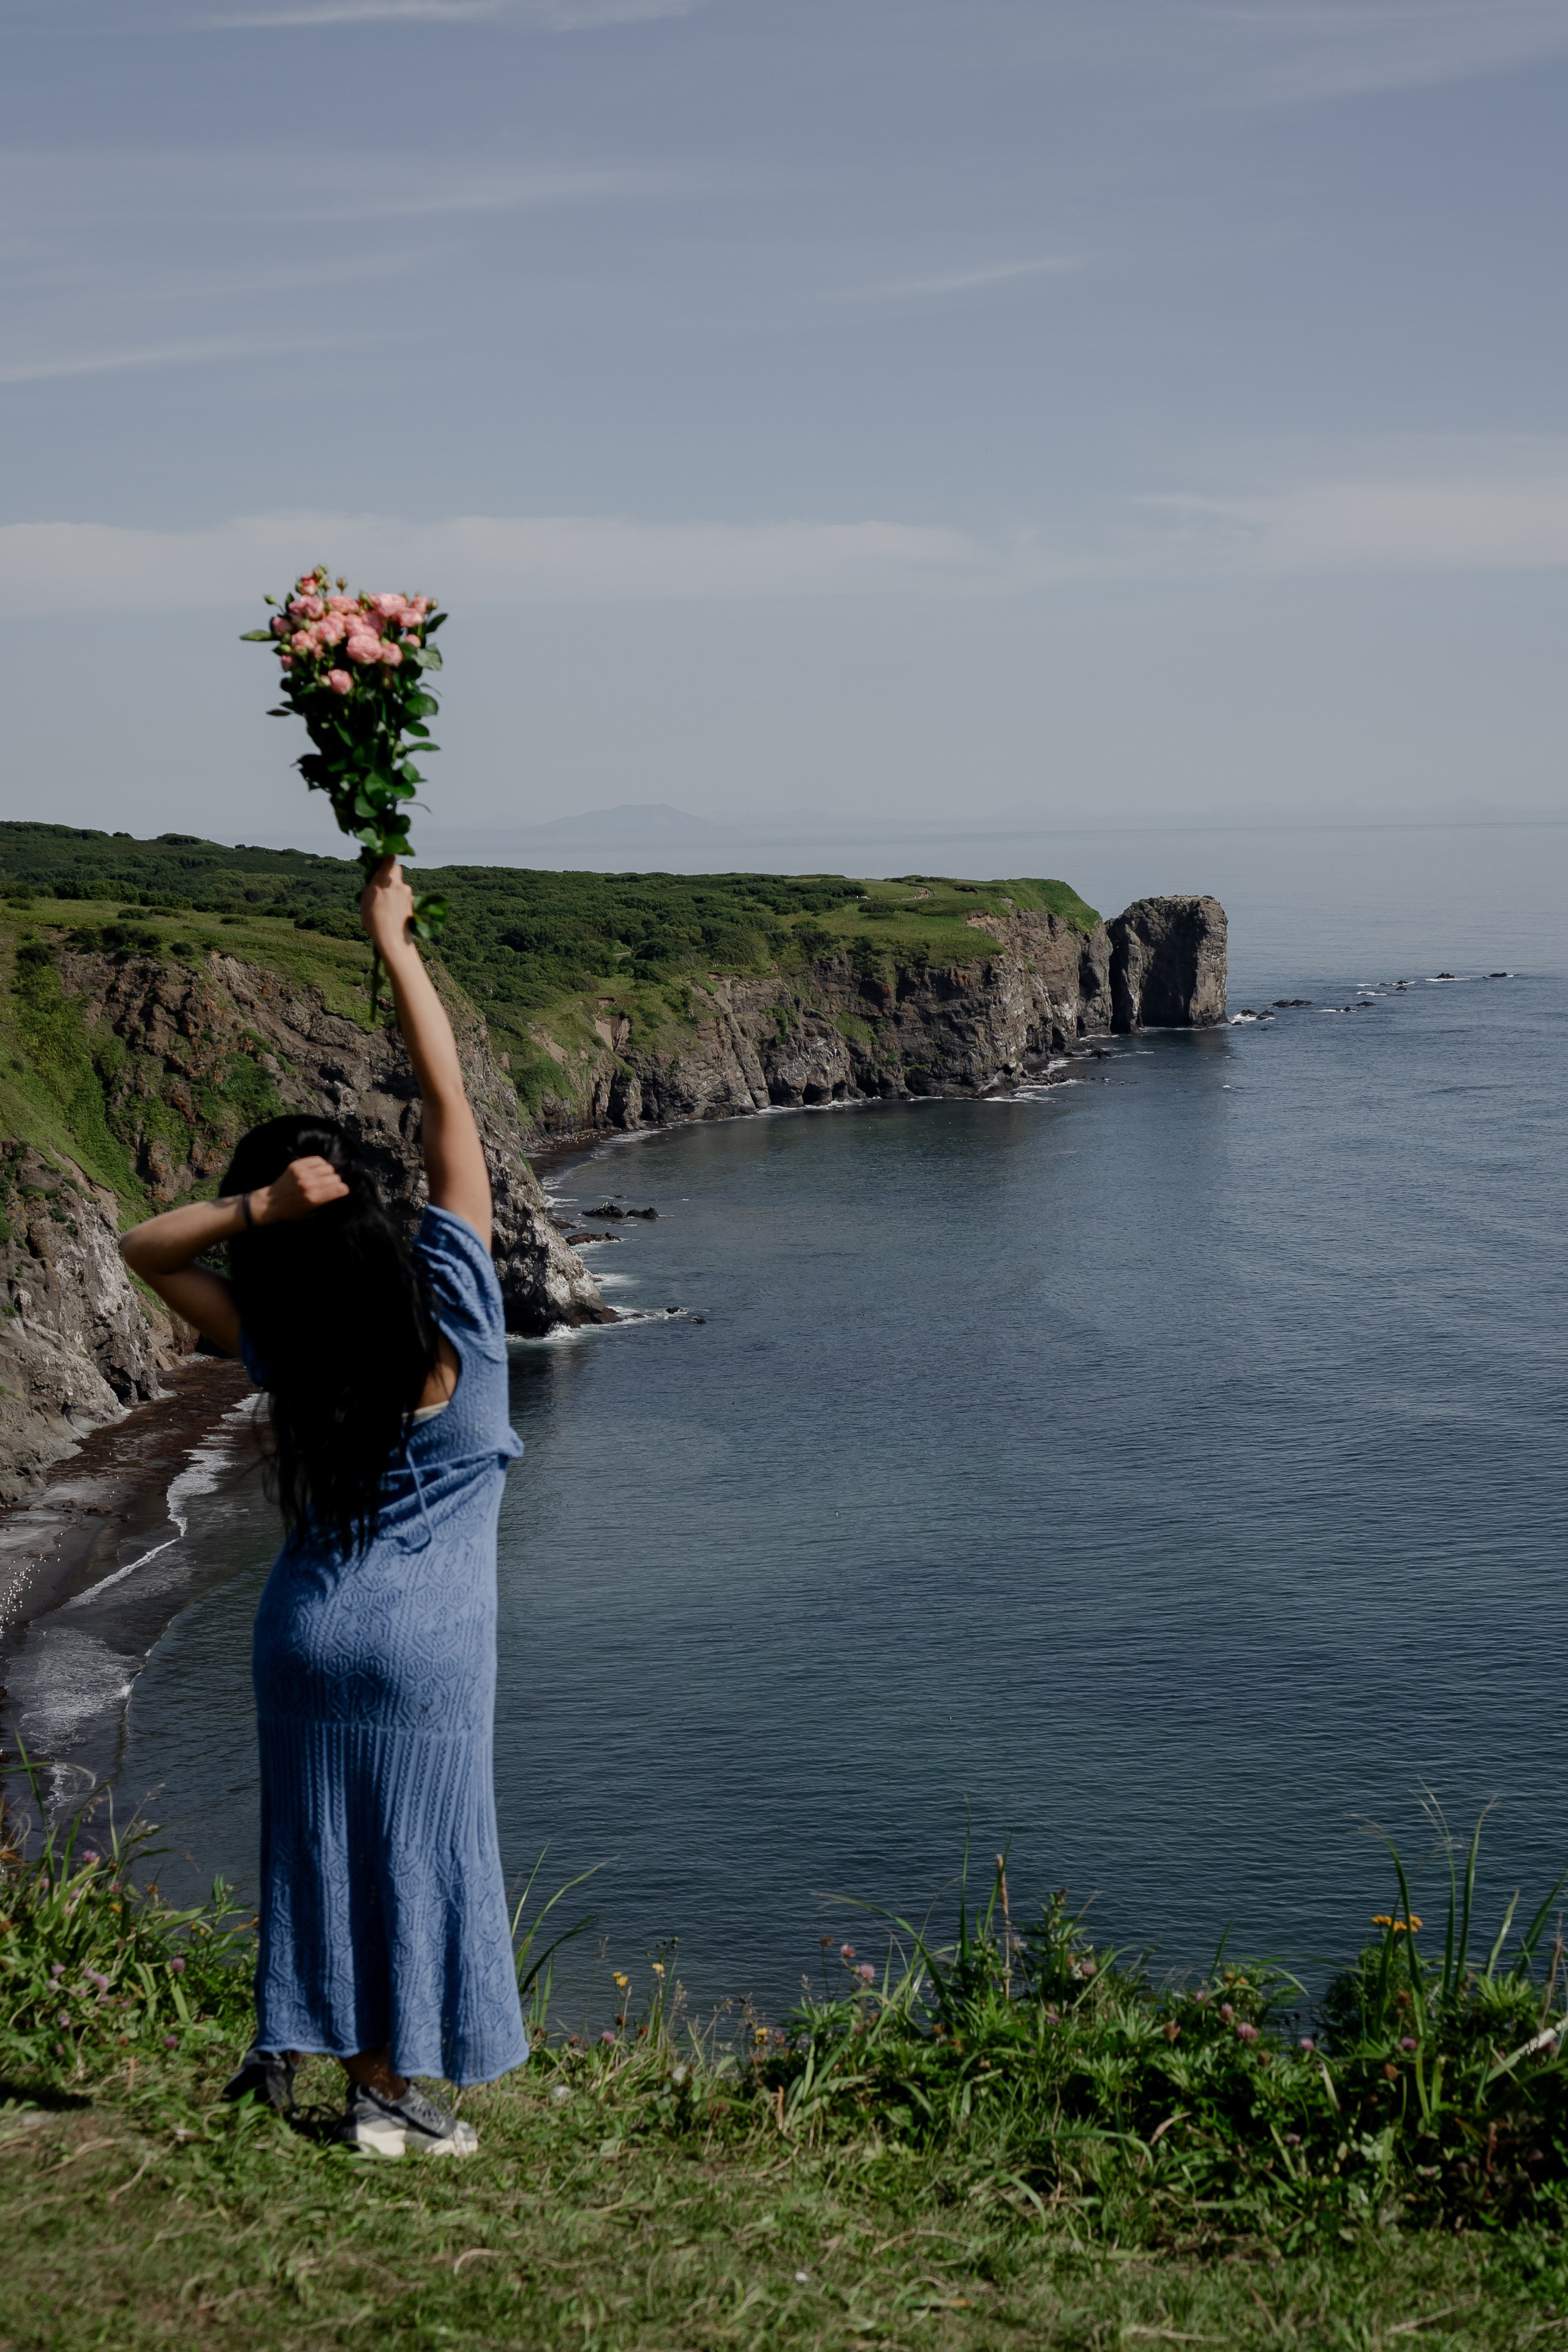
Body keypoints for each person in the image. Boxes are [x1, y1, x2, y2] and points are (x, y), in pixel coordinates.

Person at [119, 858, 528, 2158]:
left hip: (300, 1630)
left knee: (324, 1854)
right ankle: (404, 2092)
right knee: (421, 1852)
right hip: (424, 1649)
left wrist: (258, 1205)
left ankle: (340, 2076)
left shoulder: (285, 1347)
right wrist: (391, 939)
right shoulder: (461, 1312)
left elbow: (145, 1249)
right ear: (388, 1221)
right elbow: (447, 1104)